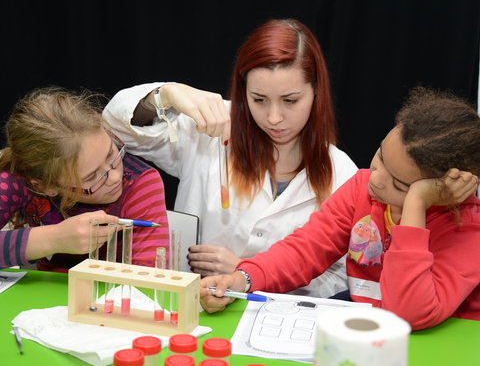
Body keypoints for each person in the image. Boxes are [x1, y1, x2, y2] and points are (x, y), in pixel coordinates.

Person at [103, 18, 358, 297]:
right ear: (243, 90)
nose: (274, 117)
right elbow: (115, 127)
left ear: (317, 92)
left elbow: (344, 279)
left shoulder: (343, 174)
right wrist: (168, 94)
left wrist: (247, 273)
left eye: (290, 100)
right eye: (259, 99)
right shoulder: (211, 127)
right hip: (193, 311)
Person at [199, 87, 480, 331]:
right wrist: (244, 279)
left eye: (400, 184)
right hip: (367, 319)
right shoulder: (362, 187)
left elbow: (408, 314)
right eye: (381, 155)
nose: (376, 177)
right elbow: (305, 249)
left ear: (441, 193)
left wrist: (415, 206)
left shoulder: (467, 227)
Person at [0, 87, 169, 272]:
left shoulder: (140, 183)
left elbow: (149, 280)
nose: (114, 177)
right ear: (46, 186)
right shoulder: (18, 177)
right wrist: (53, 238)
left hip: (115, 296)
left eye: (111, 153)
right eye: (91, 177)